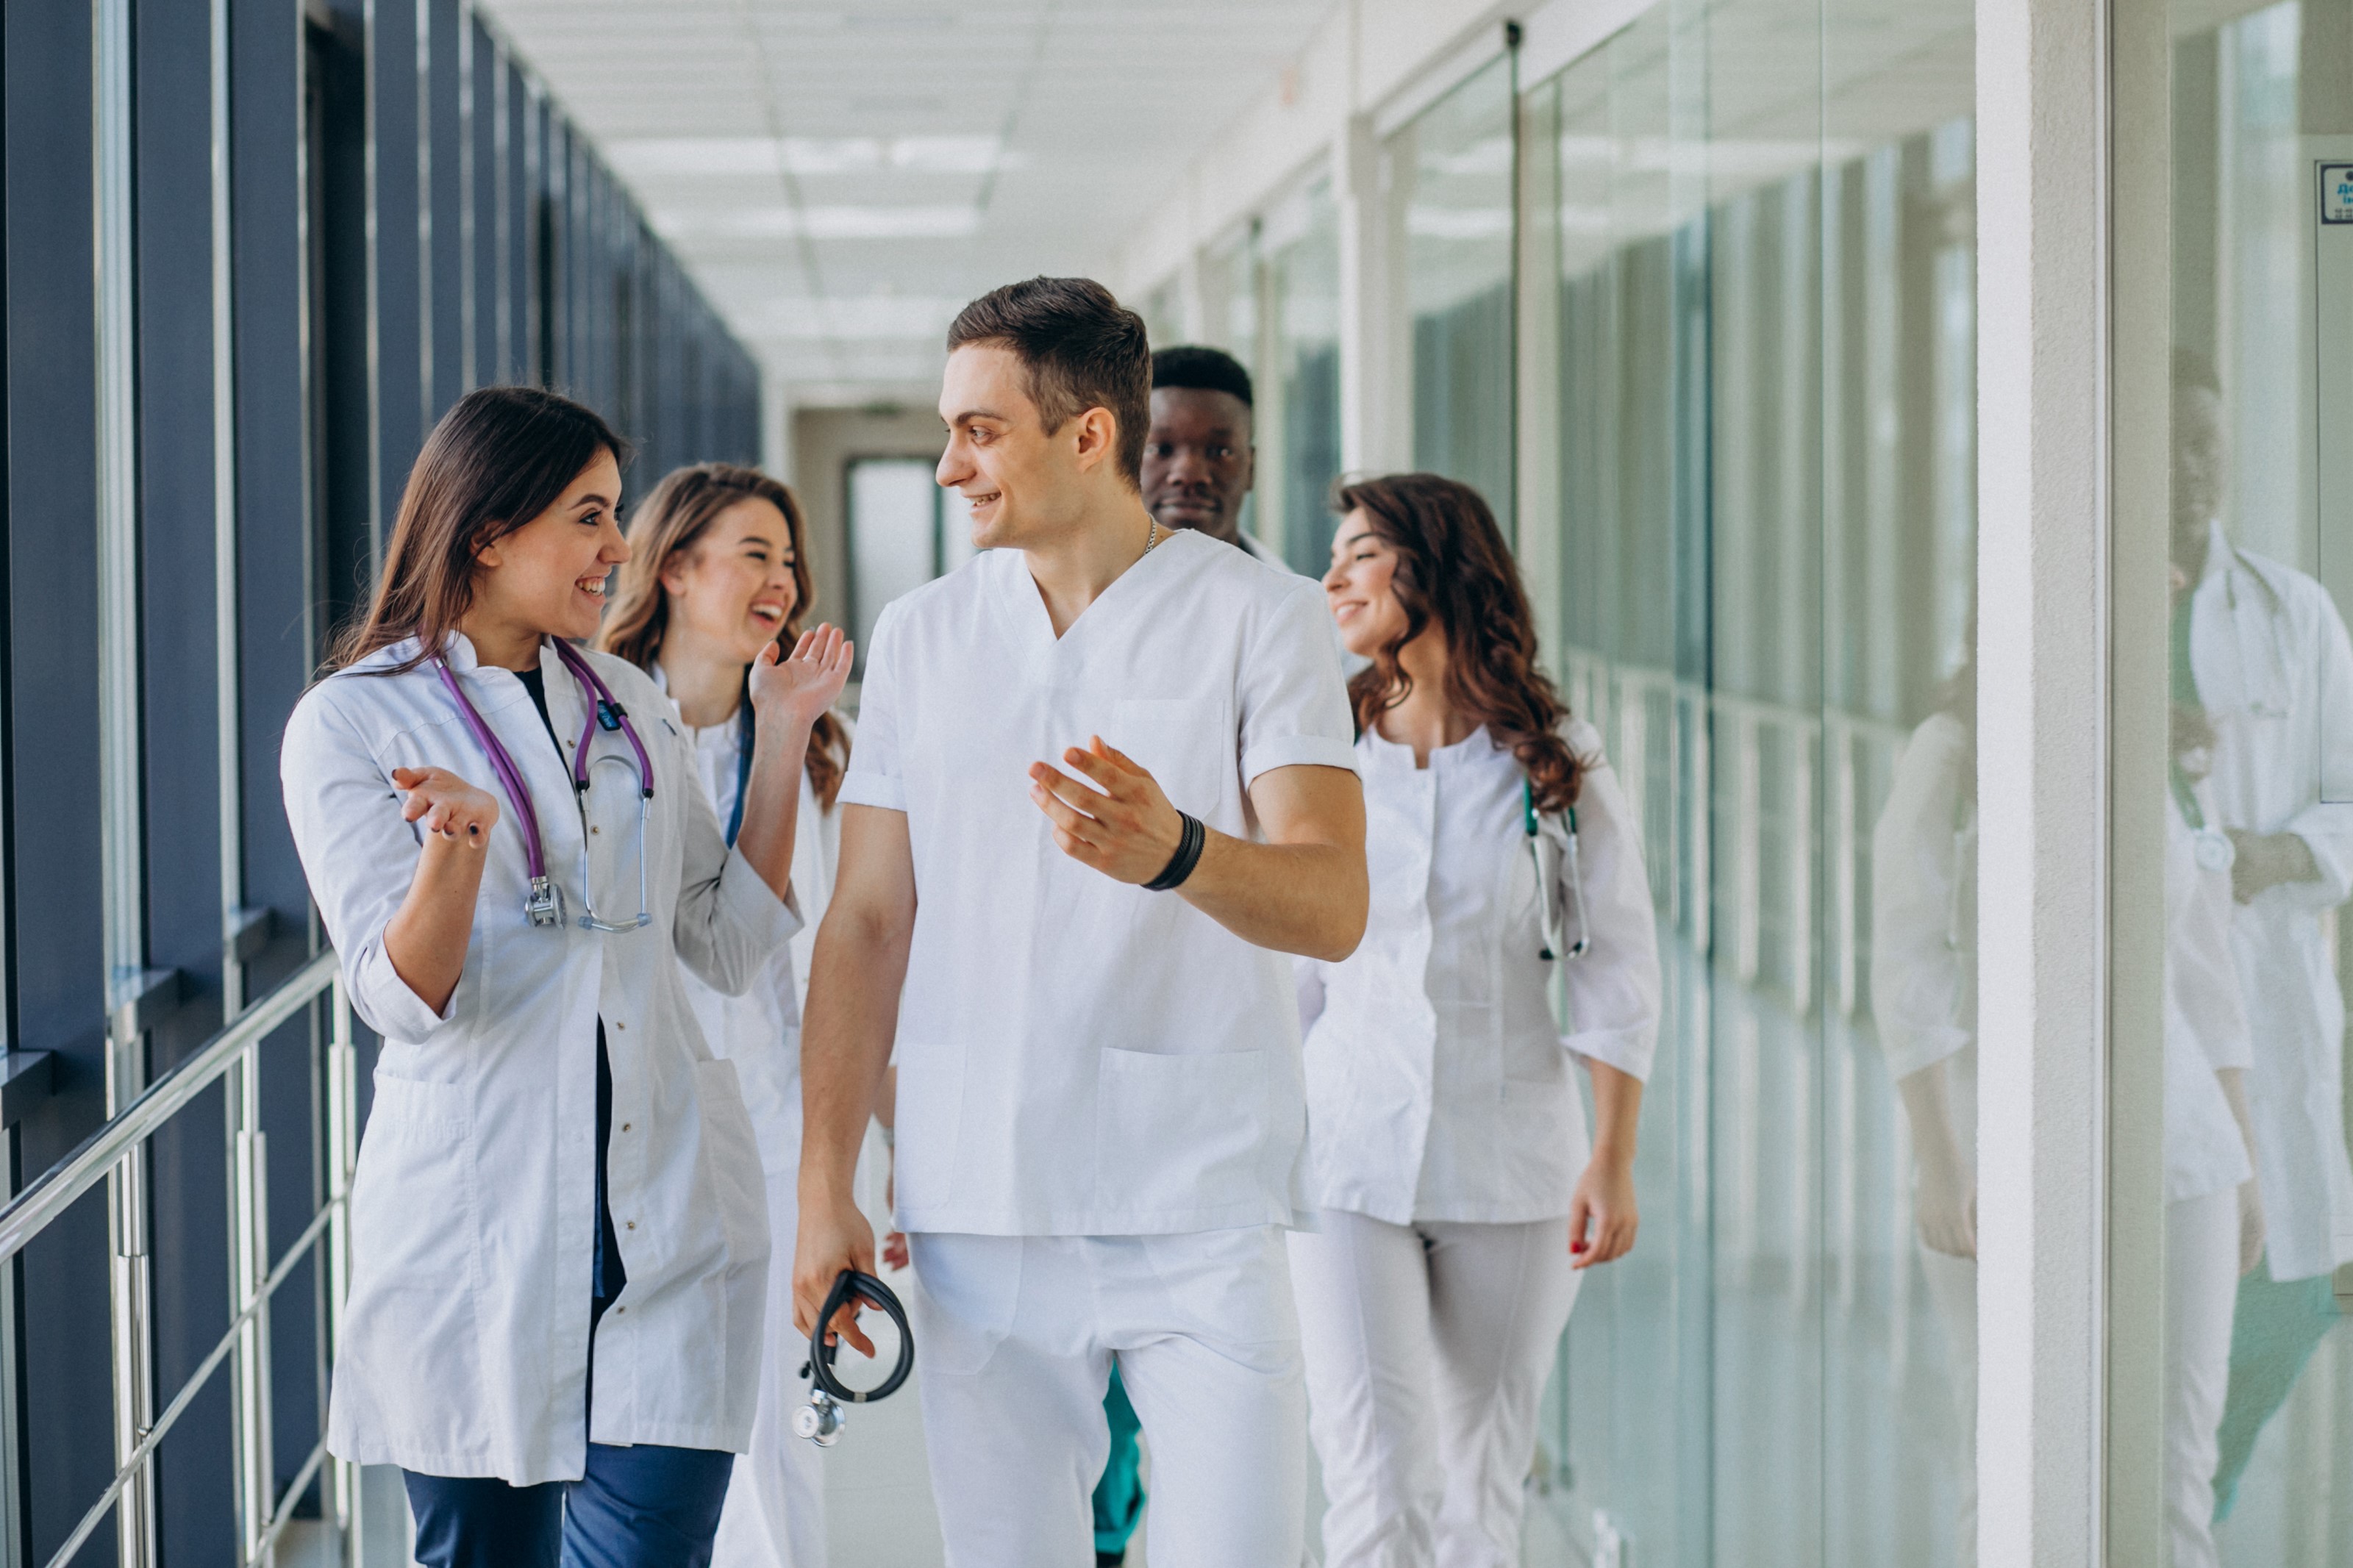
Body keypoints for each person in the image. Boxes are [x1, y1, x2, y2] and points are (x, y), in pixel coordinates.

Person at [791, 276, 1368, 1567]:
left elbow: (1335, 901)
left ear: (1089, 435)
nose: (949, 465)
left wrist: (1180, 853)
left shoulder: (1259, 616)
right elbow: (868, 923)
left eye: (980, 430)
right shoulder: (926, 635)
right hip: (978, 1196)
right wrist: (825, 1179)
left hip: (1198, 1195)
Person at [281, 386, 851, 1568]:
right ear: (489, 531)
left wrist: (784, 734)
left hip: (670, 1229)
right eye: (590, 517)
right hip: (480, 1232)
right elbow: (397, 1003)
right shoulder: (351, 724)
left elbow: (725, 942)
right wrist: (453, 859)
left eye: (619, 516)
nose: (615, 549)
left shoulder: (626, 702)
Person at [1290, 473, 1658, 1567]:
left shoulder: (1556, 764)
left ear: (1435, 564)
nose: (1333, 578)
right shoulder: (1323, 752)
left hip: (1515, 1166)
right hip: (1344, 1160)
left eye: (1362, 553)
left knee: (1476, 1498)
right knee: (1375, 1490)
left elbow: (1618, 967)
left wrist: (1614, 1158)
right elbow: (1288, 971)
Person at [599, 462, 854, 1568]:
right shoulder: (594, 719)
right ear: (675, 568)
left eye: (791, 559)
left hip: (780, 1118)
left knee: (782, 1425)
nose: (783, 580)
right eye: (756, 554)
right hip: (636, 1121)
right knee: (642, 1422)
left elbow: (849, 956)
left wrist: (866, 1162)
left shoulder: (819, 745)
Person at [2169, 352, 2353, 1520]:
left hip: (2269, 1006)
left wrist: (2264, 856)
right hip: (2157, 1024)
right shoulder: (2088, 607)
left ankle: (2193, 1504)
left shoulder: (2294, 615)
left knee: (2288, 1293)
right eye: (2169, 445)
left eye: (2209, 448)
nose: (2191, 471)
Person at [1141, 345, 1279, 564]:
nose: (1189, 474)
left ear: (1251, 468)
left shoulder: (1302, 595)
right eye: (1160, 449)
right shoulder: (1080, 592)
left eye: (1219, 452)